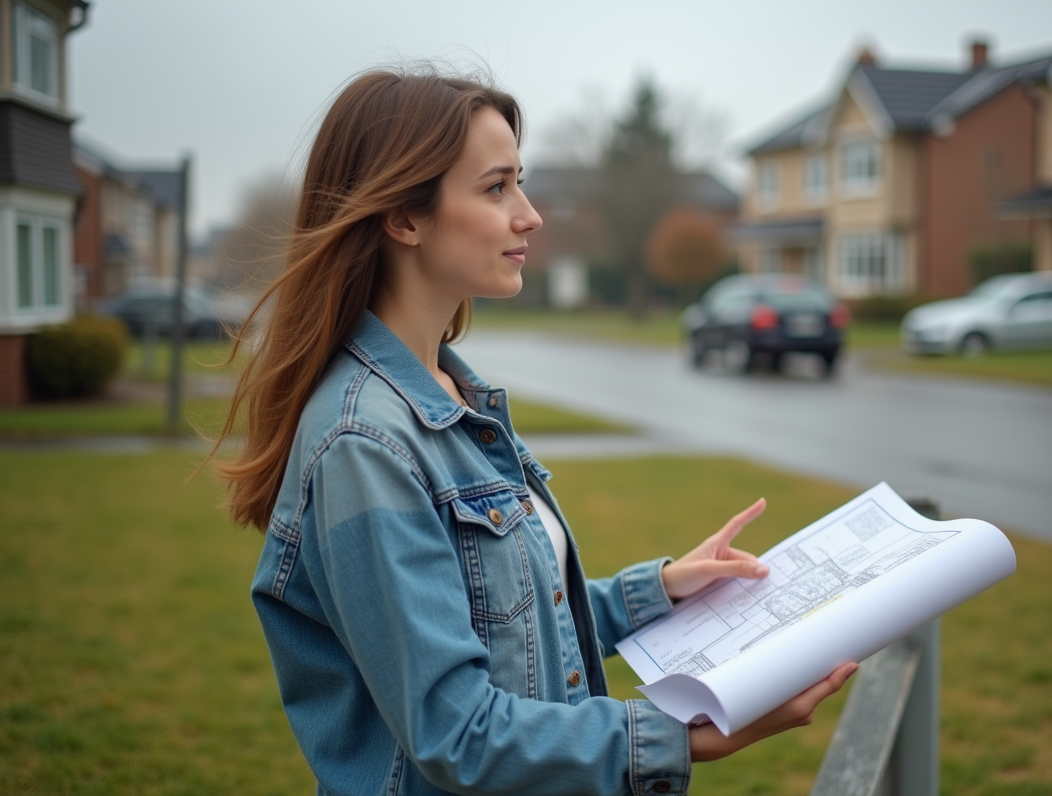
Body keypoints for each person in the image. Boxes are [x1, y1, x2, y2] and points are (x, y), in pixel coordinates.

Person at [212, 67, 857, 796]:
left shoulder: (452, 396)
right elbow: (457, 733)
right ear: (404, 218)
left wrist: (661, 592)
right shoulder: (365, 443)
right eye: (496, 188)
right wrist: (682, 738)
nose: (531, 215)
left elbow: (510, 631)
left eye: (519, 183)